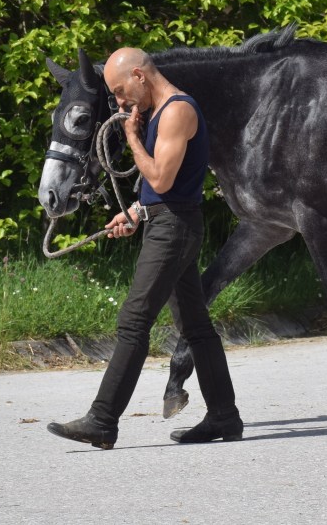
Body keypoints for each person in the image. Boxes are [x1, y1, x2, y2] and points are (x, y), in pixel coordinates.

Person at [47, 47, 242, 448]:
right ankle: (225, 416)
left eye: (120, 92)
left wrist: (133, 138)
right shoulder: (160, 111)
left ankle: (102, 421)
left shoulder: (176, 111)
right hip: (168, 222)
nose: (119, 103)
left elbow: (162, 178)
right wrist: (135, 211)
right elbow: (161, 186)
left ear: (139, 75)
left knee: (134, 321)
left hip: (175, 229)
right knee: (196, 327)